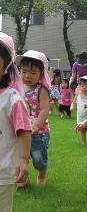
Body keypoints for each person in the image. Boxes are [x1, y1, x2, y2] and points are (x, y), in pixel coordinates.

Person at [0, 32, 31, 212]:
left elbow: (24, 130)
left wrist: (22, 159)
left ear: (7, 66)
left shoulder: (12, 99)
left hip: (3, 173)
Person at [17, 50, 51, 186]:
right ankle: (23, 179)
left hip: (38, 133)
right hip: (22, 130)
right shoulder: (18, 88)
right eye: (24, 71)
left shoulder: (41, 90)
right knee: (19, 156)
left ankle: (41, 175)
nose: (27, 76)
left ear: (41, 74)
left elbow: (45, 109)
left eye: (33, 72)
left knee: (38, 159)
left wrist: (36, 126)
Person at [71, 75, 87, 144]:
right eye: (82, 86)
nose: (84, 88)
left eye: (86, 86)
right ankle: (83, 142)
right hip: (81, 117)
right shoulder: (78, 95)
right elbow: (73, 102)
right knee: (83, 130)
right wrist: (72, 107)